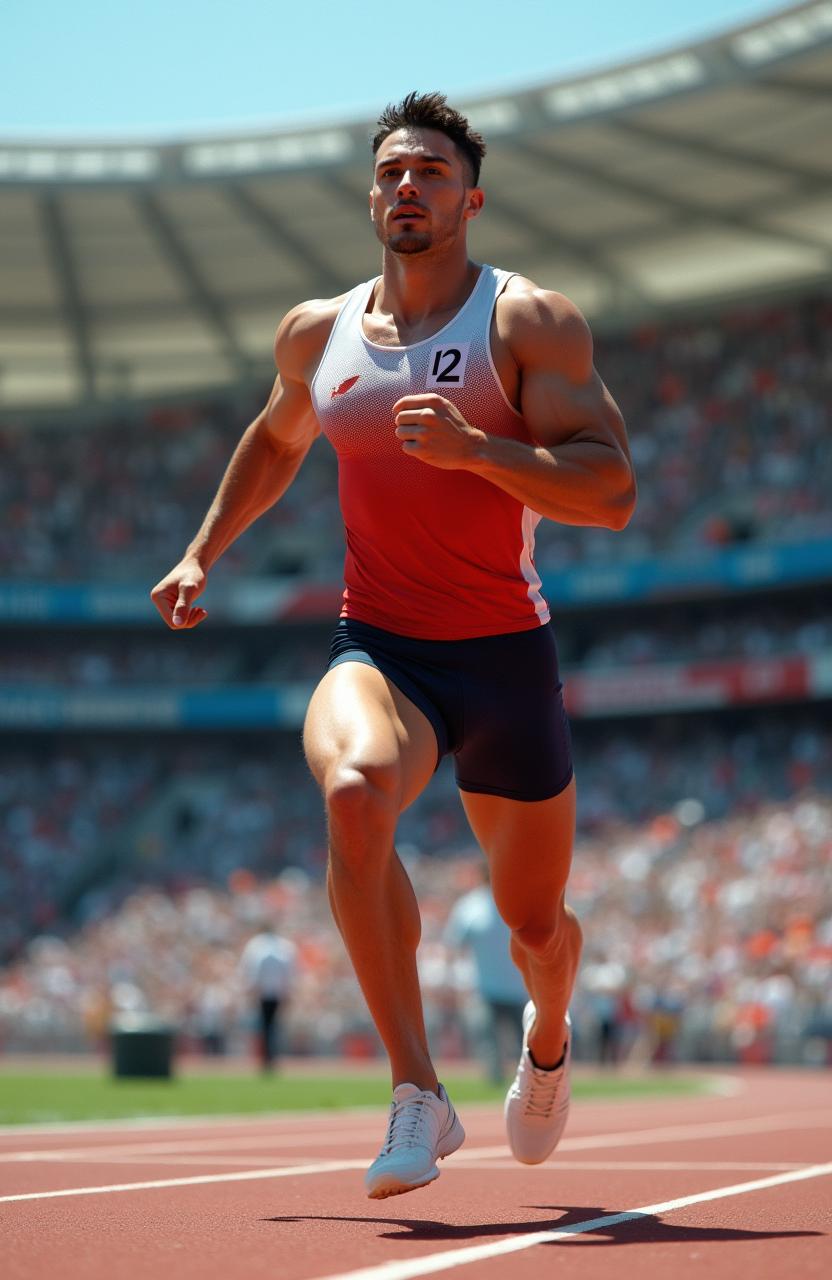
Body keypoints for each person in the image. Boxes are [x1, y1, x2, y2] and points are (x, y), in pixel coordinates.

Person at [151, 91, 636, 1199]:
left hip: (506, 658)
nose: (405, 186)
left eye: (427, 171)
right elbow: (277, 440)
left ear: (471, 197)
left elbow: (610, 489)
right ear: (370, 195)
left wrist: (480, 453)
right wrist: (201, 551)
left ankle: (548, 1031)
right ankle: (418, 1092)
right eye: (389, 172)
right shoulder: (317, 334)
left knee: (532, 924)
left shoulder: (528, 322)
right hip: (380, 644)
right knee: (354, 791)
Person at [443, 865, 530, 1082]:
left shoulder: (518, 902)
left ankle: (530, 1084)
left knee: (525, 1042)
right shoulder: (470, 907)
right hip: (484, 987)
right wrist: (453, 981)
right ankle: (496, 1084)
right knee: (489, 1041)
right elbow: (453, 945)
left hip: (517, 986)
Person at [238, 923, 297, 1071]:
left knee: (266, 1026)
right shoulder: (284, 946)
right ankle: (271, 1057)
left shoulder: (256, 945)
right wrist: (288, 991)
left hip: (262, 991)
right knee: (273, 1026)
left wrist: (250, 988)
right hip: (277, 991)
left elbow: (250, 969)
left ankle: (267, 1058)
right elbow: (290, 971)